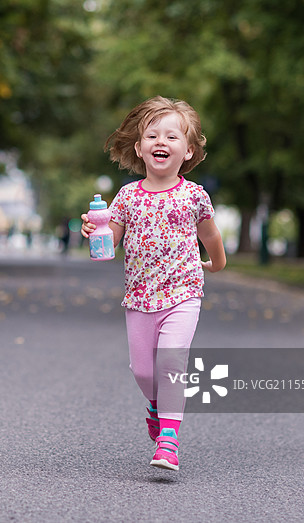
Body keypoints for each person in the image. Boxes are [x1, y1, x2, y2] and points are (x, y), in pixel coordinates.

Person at [81, 96, 226, 471]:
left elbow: (210, 236)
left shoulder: (194, 195)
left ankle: (168, 441)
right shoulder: (127, 196)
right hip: (141, 296)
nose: (161, 142)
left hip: (184, 293)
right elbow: (109, 238)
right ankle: (156, 406)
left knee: (172, 362)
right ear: (139, 147)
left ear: (188, 150)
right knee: (144, 371)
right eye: (152, 135)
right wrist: (94, 229)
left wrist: (217, 262)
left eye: (172, 136)